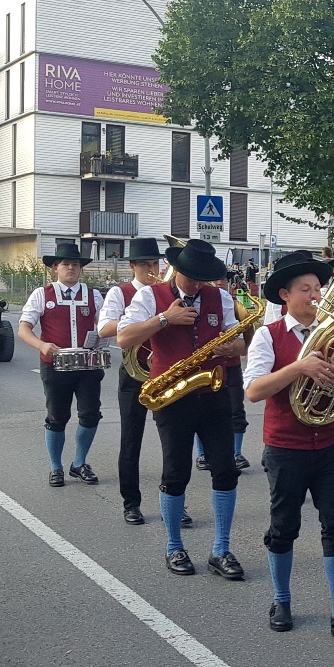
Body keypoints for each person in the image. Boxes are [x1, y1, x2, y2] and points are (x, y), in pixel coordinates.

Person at [243, 251, 334, 636]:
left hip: (330, 444)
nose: (315, 295)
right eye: (306, 289)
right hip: (285, 446)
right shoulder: (268, 336)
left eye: (318, 288)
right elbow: (253, 391)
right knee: (284, 526)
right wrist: (298, 368)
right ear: (285, 295)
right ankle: (281, 599)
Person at [117, 239, 247, 580]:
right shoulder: (150, 296)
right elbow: (124, 338)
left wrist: (234, 346)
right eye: (190, 277)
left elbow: (239, 339)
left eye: (201, 279)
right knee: (176, 472)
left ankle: (221, 549)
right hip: (171, 396)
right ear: (176, 270)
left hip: (212, 391)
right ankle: (174, 546)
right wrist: (165, 319)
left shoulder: (220, 297)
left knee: (225, 470)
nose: (196, 285)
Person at [19, 242, 105, 488]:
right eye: (65, 264)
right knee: (57, 416)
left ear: (81, 269)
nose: (71, 268)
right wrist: (41, 345)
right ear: (55, 268)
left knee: (90, 414)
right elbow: (24, 328)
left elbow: (105, 324)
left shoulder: (93, 295)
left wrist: (104, 337)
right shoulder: (42, 294)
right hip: (55, 364)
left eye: (75, 264)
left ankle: (79, 463)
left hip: (87, 364)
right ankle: (55, 466)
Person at [97, 238, 165, 525]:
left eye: (155, 264)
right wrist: (141, 319)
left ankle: (173, 501)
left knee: (173, 442)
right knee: (131, 440)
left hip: (165, 371)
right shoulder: (120, 292)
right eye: (145, 264)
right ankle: (131, 503)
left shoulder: (165, 293)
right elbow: (104, 329)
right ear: (132, 267)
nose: (152, 270)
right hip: (134, 373)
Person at [196, 277, 252, 472]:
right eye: (215, 280)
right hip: (207, 366)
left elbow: (245, 338)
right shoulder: (198, 301)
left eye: (223, 280)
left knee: (236, 410)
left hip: (231, 364)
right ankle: (202, 454)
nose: (219, 283)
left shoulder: (231, 303)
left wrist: (233, 346)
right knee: (200, 412)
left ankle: (236, 453)